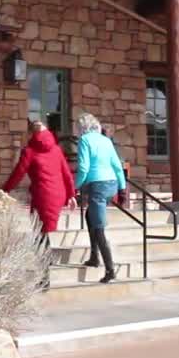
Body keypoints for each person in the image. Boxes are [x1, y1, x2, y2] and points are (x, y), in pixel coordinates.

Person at [74, 112, 126, 283]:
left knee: (99, 228)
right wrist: (122, 189)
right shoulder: (105, 140)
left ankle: (110, 270)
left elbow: (83, 167)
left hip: (97, 186)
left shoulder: (84, 140)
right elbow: (117, 165)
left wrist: (76, 187)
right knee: (90, 216)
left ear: (82, 128)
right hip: (111, 184)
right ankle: (94, 256)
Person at [2, 121, 76, 235]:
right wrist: (71, 195)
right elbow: (67, 173)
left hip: (43, 194)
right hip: (59, 193)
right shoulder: (56, 149)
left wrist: (5, 190)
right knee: (46, 230)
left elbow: (18, 173)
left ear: (31, 133)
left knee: (41, 232)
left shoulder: (29, 151)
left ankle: (44, 251)